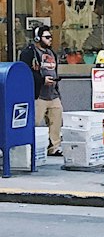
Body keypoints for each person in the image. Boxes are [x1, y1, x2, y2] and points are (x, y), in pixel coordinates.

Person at [18, 26, 63, 157]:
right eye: (47, 37)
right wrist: (42, 80)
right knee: (34, 121)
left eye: (50, 37)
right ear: (38, 38)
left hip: (52, 94)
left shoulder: (51, 53)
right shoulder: (29, 53)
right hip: (38, 95)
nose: (50, 40)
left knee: (56, 121)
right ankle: (27, 145)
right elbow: (25, 72)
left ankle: (54, 147)